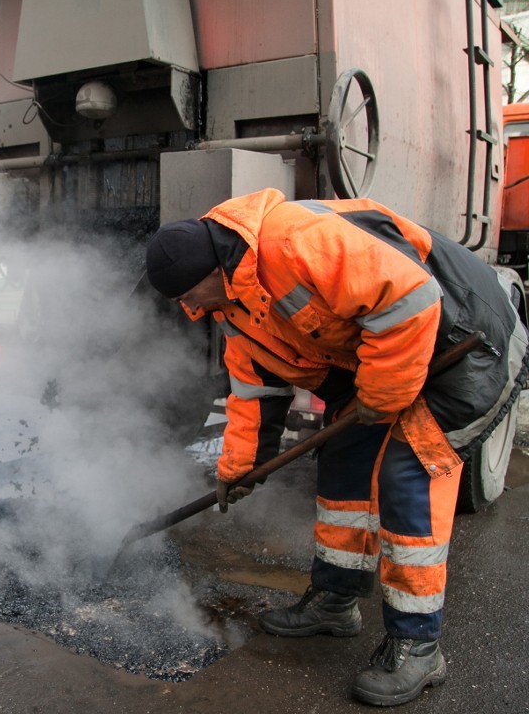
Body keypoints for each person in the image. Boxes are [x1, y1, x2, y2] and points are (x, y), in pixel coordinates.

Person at [145, 188, 529, 707]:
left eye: (191, 296)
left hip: (466, 345)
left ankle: (418, 646)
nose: (190, 310)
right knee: (346, 458)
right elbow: (255, 392)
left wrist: (381, 397)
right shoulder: (232, 304)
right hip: (386, 359)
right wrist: (239, 468)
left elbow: (411, 300)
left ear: (213, 270)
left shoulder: (299, 240)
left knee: (406, 472)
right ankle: (335, 601)